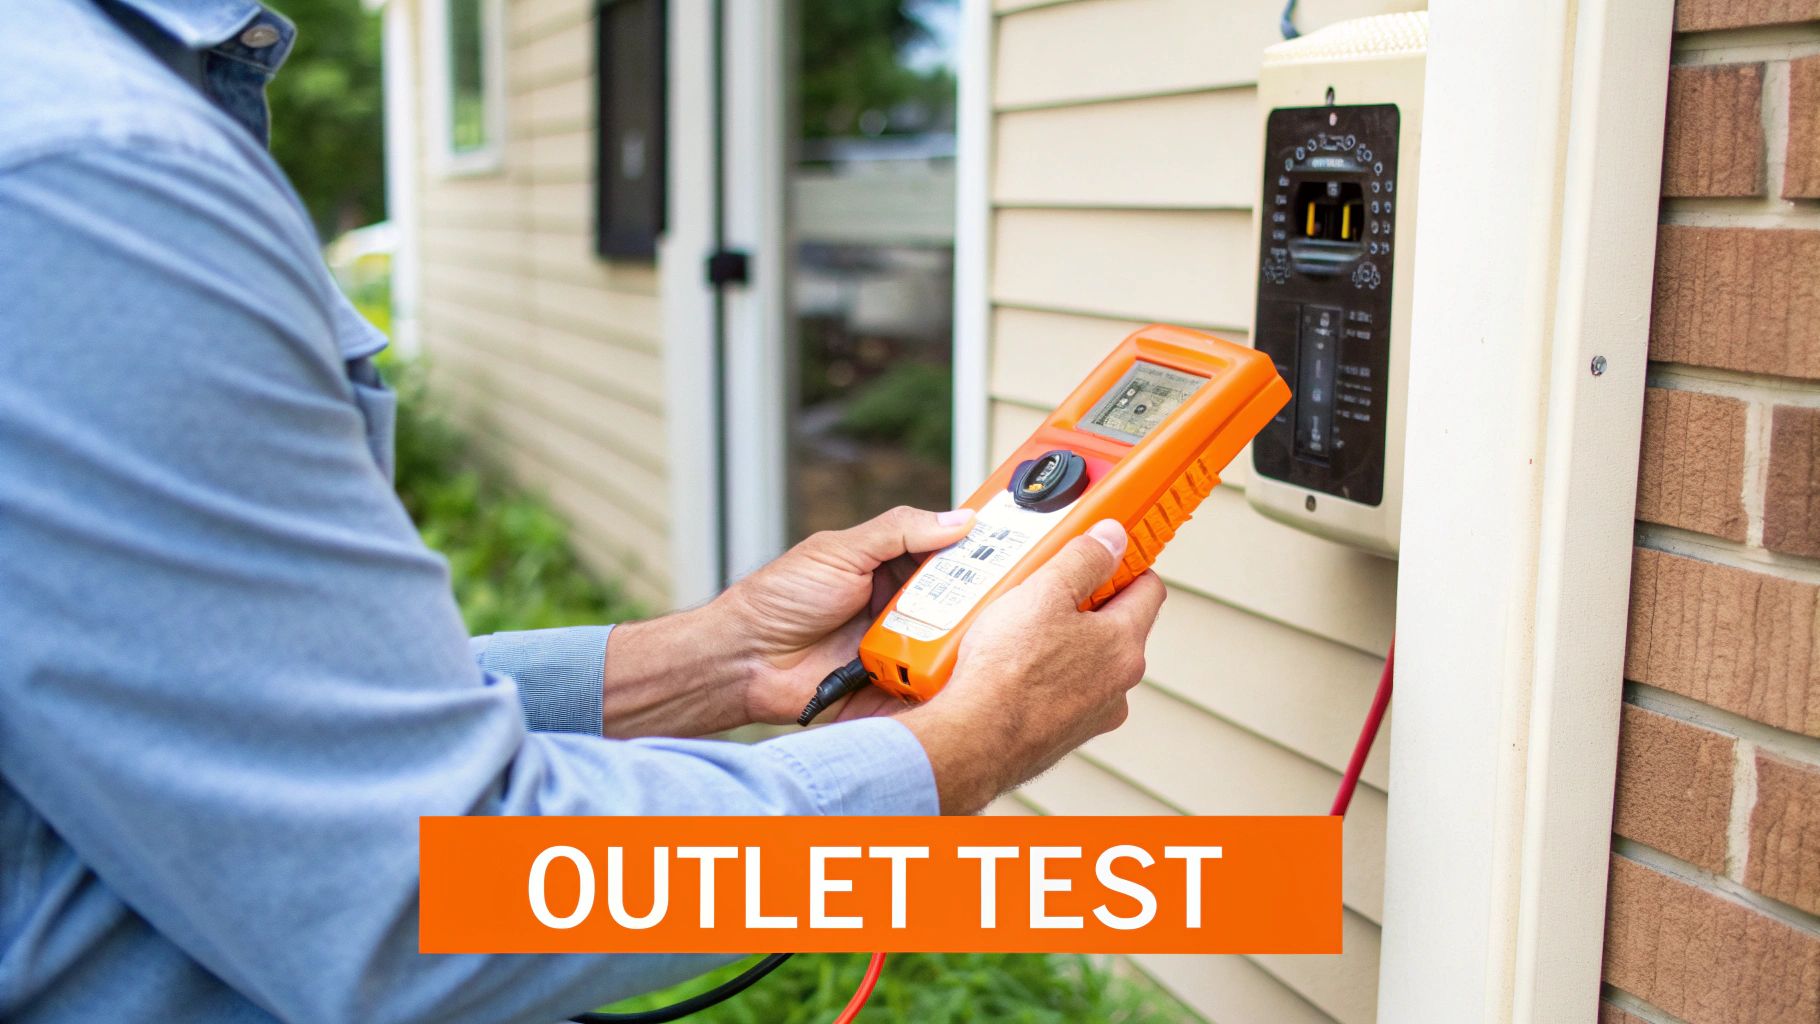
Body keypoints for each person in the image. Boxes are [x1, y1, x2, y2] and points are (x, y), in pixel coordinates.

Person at [0, 0, 1166, 1021]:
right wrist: (956, 752)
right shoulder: (90, 169)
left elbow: (234, 711)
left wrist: (714, 662)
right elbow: (414, 893)